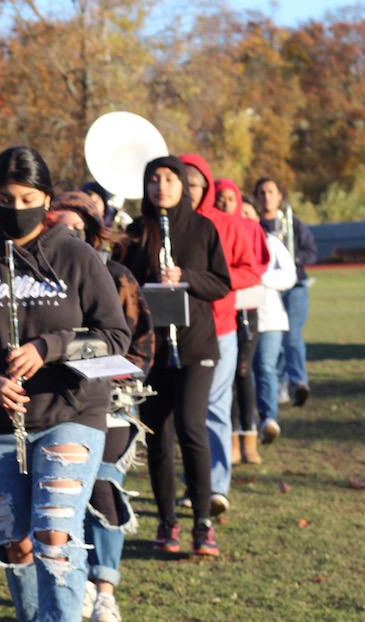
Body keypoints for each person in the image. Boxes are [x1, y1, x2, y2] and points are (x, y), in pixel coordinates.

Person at [0, 146, 131, 621]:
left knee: (55, 535)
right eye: (5, 197)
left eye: (28, 197)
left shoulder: (76, 256)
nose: (17, 207)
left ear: (46, 198)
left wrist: (49, 347)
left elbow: (115, 336)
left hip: (72, 414)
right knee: (18, 544)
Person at [48, 191, 154, 622]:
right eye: (60, 229)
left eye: (77, 229)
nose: (68, 237)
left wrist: (110, 366)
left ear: (93, 234)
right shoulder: (39, 280)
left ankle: (105, 589)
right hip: (56, 403)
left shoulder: (118, 276)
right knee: (64, 497)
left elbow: (141, 345)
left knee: (104, 487)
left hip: (112, 401)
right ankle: (77, 584)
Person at [119, 155, 231, 557]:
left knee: (190, 426)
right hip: (152, 352)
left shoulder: (203, 229)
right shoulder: (135, 232)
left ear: (183, 184)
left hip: (197, 347)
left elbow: (221, 282)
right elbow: (118, 283)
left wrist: (185, 277)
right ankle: (168, 522)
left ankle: (202, 522)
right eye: (153, 179)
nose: (160, 186)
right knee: (159, 439)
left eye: (169, 178)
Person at [179, 155, 260, 516]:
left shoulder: (227, 224)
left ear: (206, 186)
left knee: (213, 407)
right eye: (181, 181)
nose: (187, 189)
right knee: (183, 413)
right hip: (175, 332)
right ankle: (194, 484)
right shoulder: (163, 224)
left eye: (194, 183)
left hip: (220, 328)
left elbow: (251, 271)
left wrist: (218, 283)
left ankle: (215, 487)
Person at [215, 179, 270, 464]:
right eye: (219, 198)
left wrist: (228, 280)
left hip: (245, 310)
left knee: (244, 372)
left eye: (230, 199)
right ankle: (231, 440)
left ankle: (250, 436)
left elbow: (259, 263)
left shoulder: (249, 228)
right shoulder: (209, 228)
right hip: (219, 311)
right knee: (225, 381)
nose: (225, 203)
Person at [254, 177, 317, 409]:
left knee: (292, 338)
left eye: (271, 191)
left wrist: (292, 260)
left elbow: (311, 252)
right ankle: (279, 384)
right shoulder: (254, 225)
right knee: (275, 341)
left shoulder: (292, 223)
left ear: (279, 196)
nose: (266, 197)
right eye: (262, 192)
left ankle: (298, 381)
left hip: (295, 288)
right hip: (269, 290)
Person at [242, 201, 297, 446]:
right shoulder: (226, 240)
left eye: (247, 212)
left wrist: (257, 277)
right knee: (244, 373)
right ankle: (247, 421)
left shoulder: (271, 242)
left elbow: (289, 276)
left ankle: (268, 419)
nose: (242, 217)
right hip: (238, 318)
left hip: (269, 318)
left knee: (264, 367)